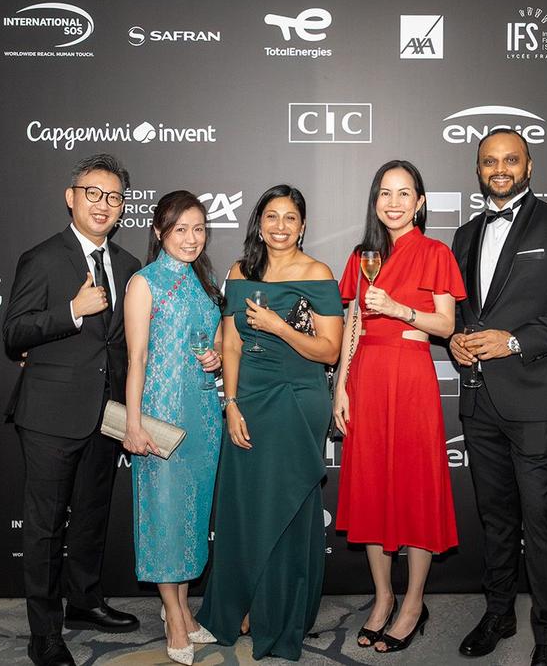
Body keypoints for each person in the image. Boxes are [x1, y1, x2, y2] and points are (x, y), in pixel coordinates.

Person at [448, 129, 547, 666]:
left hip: (535, 399)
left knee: (541, 521)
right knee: (495, 518)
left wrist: (513, 341)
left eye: (511, 160)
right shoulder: (464, 234)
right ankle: (499, 613)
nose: (500, 169)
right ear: (478, 169)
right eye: (490, 161)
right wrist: (456, 338)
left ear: (529, 166)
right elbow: (461, 311)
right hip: (479, 398)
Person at [3, 153, 142, 666]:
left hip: (105, 415)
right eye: (93, 193)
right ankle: (44, 632)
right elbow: (13, 333)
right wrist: (71, 312)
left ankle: (84, 601)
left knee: (90, 516)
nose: (103, 204)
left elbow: (126, 343)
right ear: (72, 197)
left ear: (122, 206)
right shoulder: (42, 258)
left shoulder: (128, 265)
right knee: (45, 528)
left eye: (113, 197)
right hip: (49, 416)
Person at [197, 185, 344, 661]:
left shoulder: (317, 273)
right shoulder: (240, 272)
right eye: (271, 217)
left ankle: (277, 615)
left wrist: (279, 327)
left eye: (290, 218)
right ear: (259, 224)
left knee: (286, 506)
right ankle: (242, 603)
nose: (280, 226)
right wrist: (231, 403)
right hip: (250, 399)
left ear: (303, 226)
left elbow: (330, 351)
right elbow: (231, 343)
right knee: (245, 507)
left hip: (298, 397)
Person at [332, 160, 465, 653]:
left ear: (420, 202)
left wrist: (400, 310)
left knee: (415, 487)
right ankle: (383, 597)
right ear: (375, 201)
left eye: (404, 193)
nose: (393, 202)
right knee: (371, 486)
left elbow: (446, 325)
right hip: (366, 377)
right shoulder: (362, 256)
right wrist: (341, 386)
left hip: (410, 379)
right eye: (385, 193)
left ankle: (413, 602)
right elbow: (352, 322)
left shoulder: (435, 253)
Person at [121, 190, 224, 666]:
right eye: (181, 229)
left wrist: (215, 357)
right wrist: (134, 424)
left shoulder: (205, 282)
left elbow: (213, 343)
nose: (191, 238)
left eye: (199, 228)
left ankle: (179, 606)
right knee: (164, 516)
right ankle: (175, 617)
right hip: (160, 417)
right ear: (159, 232)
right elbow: (137, 358)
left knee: (191, 517)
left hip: (203, 415)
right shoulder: (144, 282)